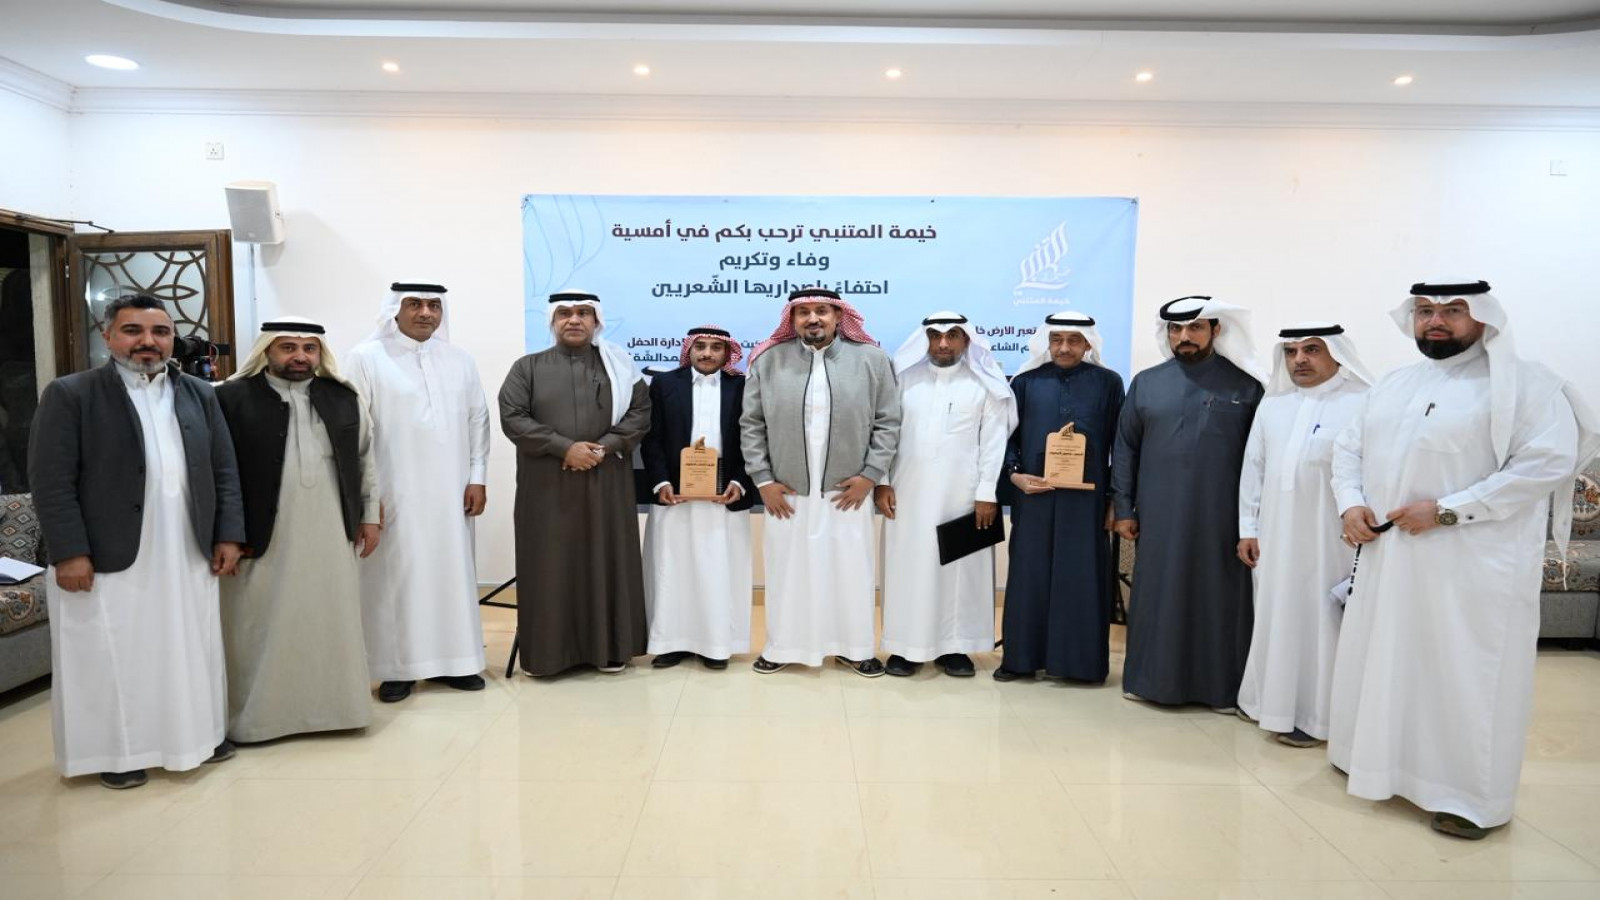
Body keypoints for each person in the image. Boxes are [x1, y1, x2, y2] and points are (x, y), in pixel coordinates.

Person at [1330, 280, 1598, 839]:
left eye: (1453, 310)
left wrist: (1448, 511)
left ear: (1483, 317)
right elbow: (1349, 448)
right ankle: (1378, 766)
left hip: (1474, 566)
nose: (1436, 321)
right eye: (1425, 311)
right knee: (1390, 660)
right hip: (1391, 558)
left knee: (1466, 676)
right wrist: (1350, 503)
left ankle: (1469, 799)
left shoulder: (1529, 385)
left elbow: (1546, 463)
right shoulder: (1396, 384)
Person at [29, 293, 243, 789]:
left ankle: (198, 736)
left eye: (160, 332)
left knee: (189, 645)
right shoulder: (72, 394)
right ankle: (117, 753)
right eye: (133, 331)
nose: (148, 341)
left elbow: (224, 469)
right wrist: (70, 551)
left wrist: (230, 534)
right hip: (107, 551)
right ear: (107, 336)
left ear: (173, 338)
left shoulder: (199, 393)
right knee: (111, 653)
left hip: (186, 547)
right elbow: (51, 481)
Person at [214, 317, 381, 742]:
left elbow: (366, 460)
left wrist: (370, 516)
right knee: (257, 624)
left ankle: (338, 711)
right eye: (288, 347)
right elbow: (218, 472)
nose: (300, 356)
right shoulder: (231, 398)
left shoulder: (343, 397)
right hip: (260, 534)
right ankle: (259, 721)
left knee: (331, 618)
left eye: (309, 348)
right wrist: (225, 532)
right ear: (266, 351)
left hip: (331, 529)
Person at [1112, 295, 1266, 711]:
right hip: (1159, 515)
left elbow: (1261, 458)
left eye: (1195, 327)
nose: (1184, 336)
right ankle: (1151, 682)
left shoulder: (1247, 385)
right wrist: (1123, 508)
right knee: (1158, 594)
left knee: (1220, 599)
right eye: (1175, 329)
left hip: (1223, 519)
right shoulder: (1147, 383)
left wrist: (1253, 522)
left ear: (1216, 330)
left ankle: (1220, 690)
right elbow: (1125, 448)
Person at [740, 287, 900, 677]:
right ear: (792, 319)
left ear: (838, 316)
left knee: (850, 571)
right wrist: (763, 480)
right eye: (804, 312)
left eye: (822, 311)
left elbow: (887, 422)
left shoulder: (872, 360)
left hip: (848, 492)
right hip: (786, 491)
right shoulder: (768, 360)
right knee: (787, 571)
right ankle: (782, 647)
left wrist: (870, 476)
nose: (813, 319)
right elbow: (751, 424)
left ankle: (855, 649)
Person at [345, 282, 491, 702]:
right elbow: (356, 431)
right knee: (397, 578)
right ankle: (397, 668)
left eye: (433, 305)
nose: (426, 312)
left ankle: (457, 662)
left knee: (452, 572)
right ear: (394, 309)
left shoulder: (460, 360)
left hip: (451, 493)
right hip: (394, 491)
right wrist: (367, 497)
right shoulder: (366, 357)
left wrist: (477, 476)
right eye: (414, 304)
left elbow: (478, 420)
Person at [1235, 323, 1373, 747]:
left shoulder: (1364, 403)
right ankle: (1266, 703)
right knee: (1275, 615)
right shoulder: (1273, 405)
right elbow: (1254, 469)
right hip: (1275, 537)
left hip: (1332, 540)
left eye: (1312, 350)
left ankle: (1319, 718)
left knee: (1322, 622)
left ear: (1337, 354)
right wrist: (1248, 528)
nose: (1300, 360)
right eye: (1292, 351)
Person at [499, 291, 651, 675]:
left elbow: (640, 413)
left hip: (607, 481)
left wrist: (604, 447)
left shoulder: (619, 366)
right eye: (565, 313)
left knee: (607, 559)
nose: (574, 320)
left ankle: (611, 649)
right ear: (553, 321)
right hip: (547, 486)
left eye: (584, 313)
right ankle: (549, 655)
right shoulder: (527, 368)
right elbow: (513, 417)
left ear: (596, 321)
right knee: (550, 565)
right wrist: (564, 448)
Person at [876, 313, 1015, 677]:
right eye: (935, 336)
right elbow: (884, 434)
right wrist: (882, 481)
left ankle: (956, 647)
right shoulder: (903, 380)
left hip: (964, 496)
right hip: (907, 494)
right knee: (908, 568)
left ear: (966, 340)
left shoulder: (984, 383)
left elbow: (994, 442)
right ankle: (906, 647)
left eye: (952, 335)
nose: (942, 343)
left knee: (960, 571)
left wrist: (987, 492)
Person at [998, 311, 1126, 683]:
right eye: (1057, 340)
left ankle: (1079, 666)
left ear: (1088, 344)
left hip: (1087, 502)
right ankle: (1021, 660)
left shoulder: (1108, 383)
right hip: (1034, 496)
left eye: (1073, 340)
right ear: (1047, 342)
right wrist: (1014, 475)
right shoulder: (1025, 382)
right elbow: (1006, 438)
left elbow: (1121, 444)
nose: (1064, 348)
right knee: (1029, 575)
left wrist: (1115, 499)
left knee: (1081, 577)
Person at [641, 325, 756, 670]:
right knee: (672, 568)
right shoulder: (665, 384)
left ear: (727, 353)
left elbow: (754, 438)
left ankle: (716, 645)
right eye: (700, 347)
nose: (707, 353)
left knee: (719, 570)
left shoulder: (742, 386)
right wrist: (661, 481)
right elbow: (651, 438)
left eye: (715, 348)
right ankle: (670, 643)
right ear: (689, 350)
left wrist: (740, 481)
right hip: (675, 496)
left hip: (725, 496)